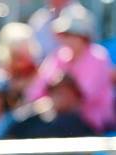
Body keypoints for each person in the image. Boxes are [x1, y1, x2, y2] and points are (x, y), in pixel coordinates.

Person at [26, 4, 114, 133]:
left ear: (84, 36)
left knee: (48, 128)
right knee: (21, 122)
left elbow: (81, 98)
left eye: (70, 33)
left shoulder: (98, 57)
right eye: (63, 33)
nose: (65, 38)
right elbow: (35, 92)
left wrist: (54, 100)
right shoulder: (59, 55)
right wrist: (49, 102)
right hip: (55, 116)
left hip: (91, 123)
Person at [7, 72, 96, 139]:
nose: (60, 97)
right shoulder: (32, 117)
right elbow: (9, 133)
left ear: (75, 97)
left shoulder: (79, 124)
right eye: (56, 92)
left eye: (65, 93)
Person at [0, 22, 41, 109]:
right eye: (16, 55)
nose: (20, 61)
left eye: (23, 55)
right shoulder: (0, 71)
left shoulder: (38, 72)